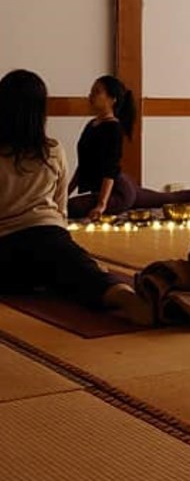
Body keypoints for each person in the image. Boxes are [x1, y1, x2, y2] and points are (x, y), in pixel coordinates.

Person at [0, 70, 152, 324]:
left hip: (6, 247)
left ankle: (44, 278)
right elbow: (60, 208)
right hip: (50, 237)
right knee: (84, 273)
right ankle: (122, 295)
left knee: (33, 273)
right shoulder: (52, 150)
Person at [67, 75, 190, 221]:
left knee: (71, 207)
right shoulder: (91, 125)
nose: (90, 95)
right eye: (91, 91)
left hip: (118, 192)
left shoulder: (113, 128)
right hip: (121, 187)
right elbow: (83, 166)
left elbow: (110, 169)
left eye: (97, 92)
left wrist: (101, 205)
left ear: (112, 99)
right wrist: (63, 193)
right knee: (167, 198)